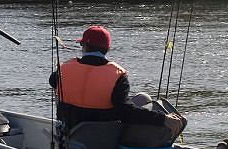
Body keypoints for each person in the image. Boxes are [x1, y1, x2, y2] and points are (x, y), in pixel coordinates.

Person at [49, 25, 183, 137]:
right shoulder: (118, 75)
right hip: (106, 142)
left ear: (83, 45)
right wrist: (163, 119)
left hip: (68, 137)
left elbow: (52, 81)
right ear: (107, 49)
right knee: (144, 98)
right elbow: (126, 112)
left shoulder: (64, 69)